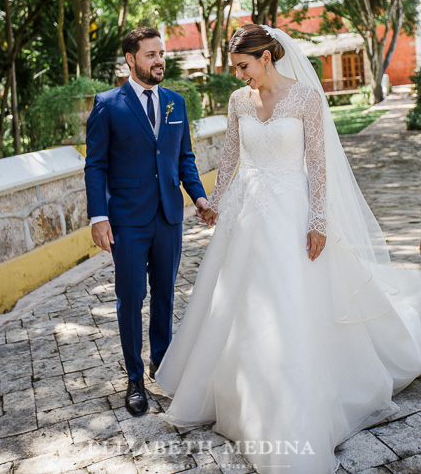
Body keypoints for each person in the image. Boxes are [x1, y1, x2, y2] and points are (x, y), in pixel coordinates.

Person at [155, 24, 421, 474]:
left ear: (266, 57)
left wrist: (318, 220)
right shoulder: (239, 101)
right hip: (247, 214)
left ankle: (306, 399)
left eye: (244, 66)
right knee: (237, 304)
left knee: (295, 302)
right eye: (236, 67)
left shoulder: (304, 98)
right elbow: (232, 158)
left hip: (293, 213)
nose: (241, 75)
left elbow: (317, 163)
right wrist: (214, 202)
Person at [84, 27, 209, 417]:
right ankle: (135, 378)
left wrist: (199, 197)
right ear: (131, 59)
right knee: (131, 297)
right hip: (127, 221)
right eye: (151, 54)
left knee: (166, 295)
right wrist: (99, 216)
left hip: (170, 216)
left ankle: (162, 365)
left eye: (161, 53)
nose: (159, 60)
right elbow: (96, 165)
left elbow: (183, 157)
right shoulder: (108, 105)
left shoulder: (176, 102)